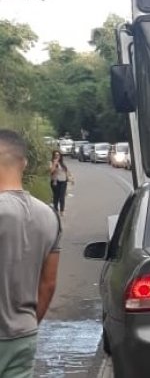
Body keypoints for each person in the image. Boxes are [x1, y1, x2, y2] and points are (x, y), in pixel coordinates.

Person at [0, 130, 61, 377]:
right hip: (23, 335)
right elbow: (48, 284)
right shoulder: (49, 216)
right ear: (23, 163)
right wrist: (29, 322)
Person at [49, 150, 72, 215]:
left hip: (63, 181)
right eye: (55, 155)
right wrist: (54, 163)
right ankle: (56, 209)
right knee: (56, 196)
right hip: (55, 182)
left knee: (62, 196)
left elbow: (66, 171)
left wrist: (70, 178)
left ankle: (62, 210)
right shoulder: (51, 162)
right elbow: (51, 171)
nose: (57, 156)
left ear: (60, 156)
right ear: (53, 156)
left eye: (58, 155)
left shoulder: (62, 163)